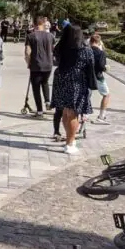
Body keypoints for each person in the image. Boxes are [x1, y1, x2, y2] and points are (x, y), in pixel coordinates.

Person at [51, 24, 94, 154]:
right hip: (76, 81)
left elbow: (56, 60)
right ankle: (70, 143)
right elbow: (90, 65)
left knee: (65, 111)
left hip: (60, 79)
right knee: (73, 113)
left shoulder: (60, 48)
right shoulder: (85, 50)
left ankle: (70, 139)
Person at [24, 16, 55, 117]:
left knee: (36, 88)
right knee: (45, 82)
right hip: (48, 64)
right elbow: (53, 50)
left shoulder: (31, 36)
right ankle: (47, 101)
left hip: (36, 65)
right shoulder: (50, 36)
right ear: (44, 24)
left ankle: (40, 111)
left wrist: (28, 63)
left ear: (34, 24)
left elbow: (27, 52)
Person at [90, 34, 111, 125]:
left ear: (90, 41)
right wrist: (106, 68)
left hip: (87, 76)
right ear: (99, 42)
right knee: (106, 95)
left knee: (86, 96)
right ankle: (101, 116)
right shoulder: (101, 53)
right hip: (98, 77)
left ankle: (82, 115)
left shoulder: (86, 51)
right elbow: (102, 66)